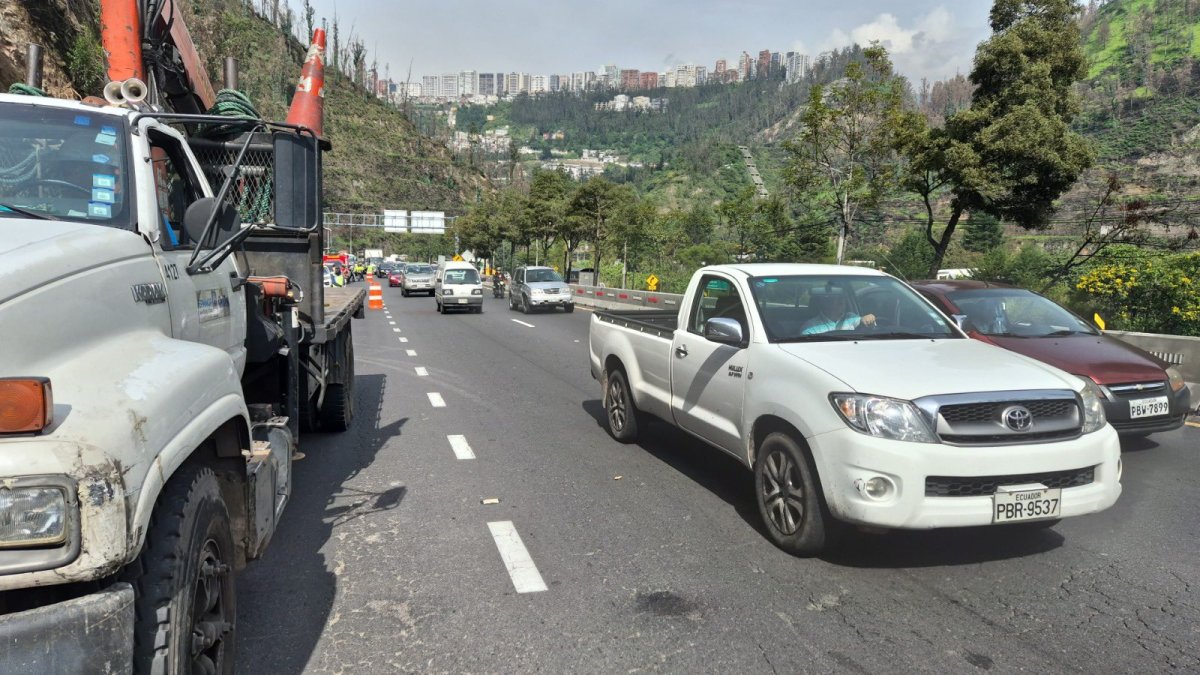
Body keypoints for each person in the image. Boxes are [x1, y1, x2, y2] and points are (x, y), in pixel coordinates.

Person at [801, 287, 875, 335]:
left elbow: (863, 321)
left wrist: (868, 319)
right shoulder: (810, 327)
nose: (842, 302)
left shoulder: (850, 317)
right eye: (837, 299)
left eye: (842, 298)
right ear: (826, 302)